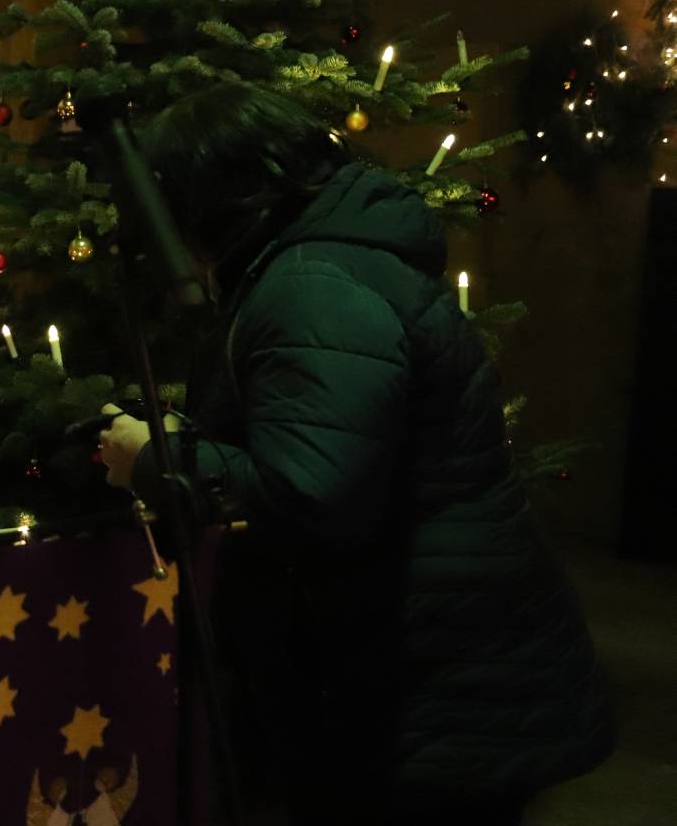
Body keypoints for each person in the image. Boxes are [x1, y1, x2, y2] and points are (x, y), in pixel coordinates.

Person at [96, 85, 613, 825]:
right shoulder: (331, 257)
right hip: (443, 663)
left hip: (429, 687)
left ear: (213, 194)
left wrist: (158, 456)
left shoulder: (311, 284)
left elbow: (315, 496)